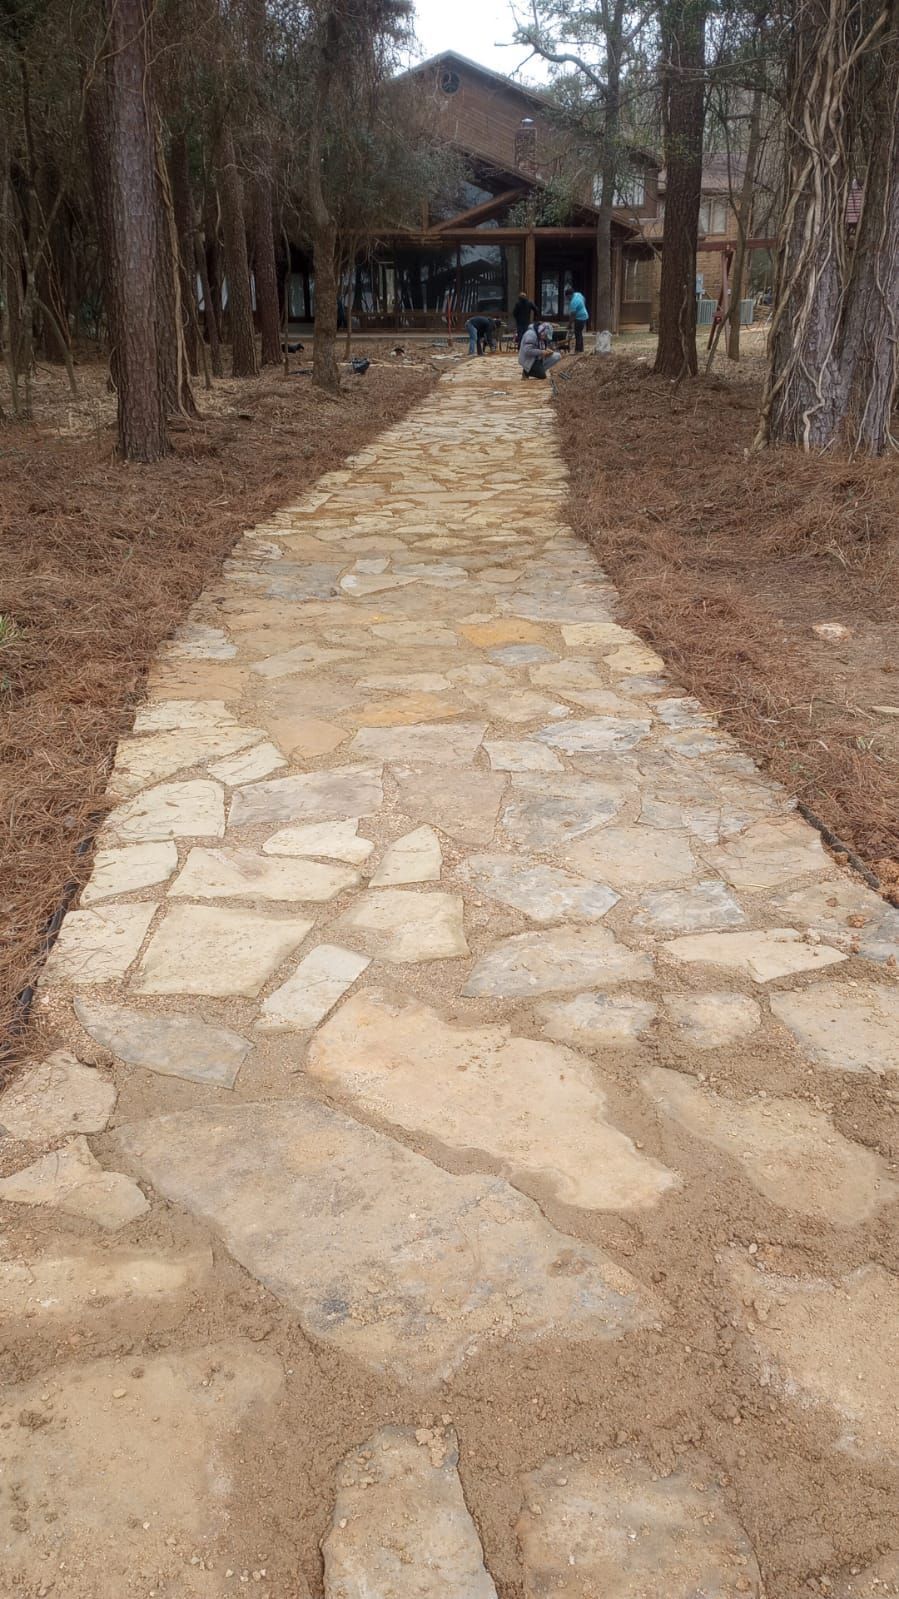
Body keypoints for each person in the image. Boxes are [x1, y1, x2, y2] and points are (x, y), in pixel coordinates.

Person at [566, 286, 589, 352]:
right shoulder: (578, 294)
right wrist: (581, 307)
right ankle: (581, 349)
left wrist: (569, 324)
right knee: (579, 333)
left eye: (567, 297)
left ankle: (578, 350)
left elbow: (572, 315)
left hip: (580, 318)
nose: (567, 299)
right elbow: (584, 299)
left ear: (570, 295)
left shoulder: (573, 302)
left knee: (577, 334)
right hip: (584, 315)